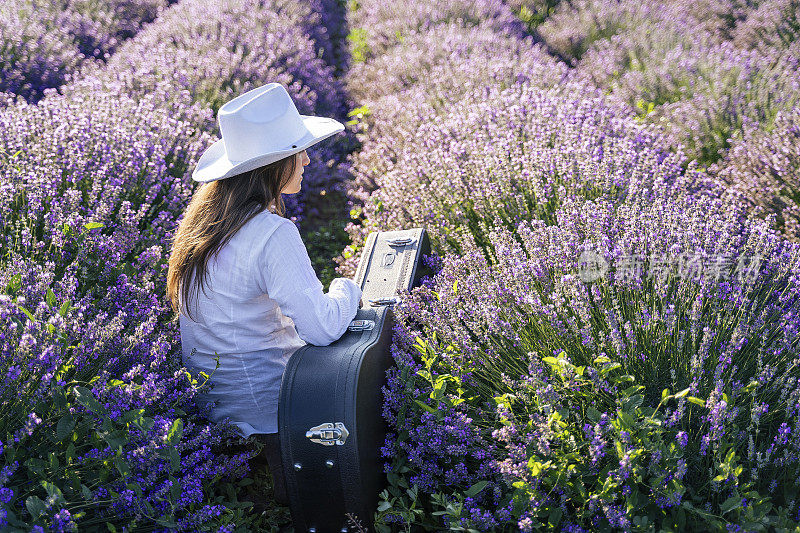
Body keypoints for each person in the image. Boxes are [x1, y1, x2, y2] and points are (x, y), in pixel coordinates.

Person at [166, 83, 362, 507]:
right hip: (267, 409)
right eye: (299, 151)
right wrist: (349, 288)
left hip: (211, 403)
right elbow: (323, 329)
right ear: (274, 164)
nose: (308, 160)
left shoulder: (203, 224)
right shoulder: (272, 233)